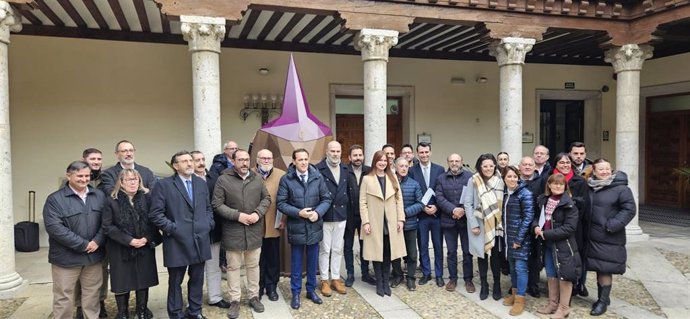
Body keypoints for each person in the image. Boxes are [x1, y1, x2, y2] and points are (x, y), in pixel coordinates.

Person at [149, 151, 214, 319]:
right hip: (176, 241)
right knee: (175, 281)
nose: (190, 163)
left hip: (200, 239)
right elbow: (156, 214)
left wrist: (207, 224)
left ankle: (195, 311)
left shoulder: (201, 184)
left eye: (190, 160)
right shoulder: (164, 185)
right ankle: (176, 314)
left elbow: (208, 208)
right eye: (184, 161)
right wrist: (173, 228)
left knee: (197, 279)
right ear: (175, 166)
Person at [212, 149, 271, 318]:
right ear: (233, 161)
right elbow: (217, 204)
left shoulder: (257, 178)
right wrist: (238, 216)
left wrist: (257, 213)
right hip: (233, 231)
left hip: (253, 230)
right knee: (233, 267)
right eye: (240, 160)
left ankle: (253, 296)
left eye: (247, 160)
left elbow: (266, 199)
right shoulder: (223, 179)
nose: (244, 163)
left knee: (253, 266)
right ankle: (235, 300)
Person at [43, 161, 106, 319]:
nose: (84, 179)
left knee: (92, 296)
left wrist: (97, 241)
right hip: (66, 259)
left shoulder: (98, 195)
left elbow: (107, 222)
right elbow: (55, 228)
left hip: (94, 258)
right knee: (64, 297)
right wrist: (84, 244)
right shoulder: (55, 199)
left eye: (87, 176)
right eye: (79, 176)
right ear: (68, 176)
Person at [277, 148, 332, 310]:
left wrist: (318, 212)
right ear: (294, 161)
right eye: (300, 160)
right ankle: (295, 293)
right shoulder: (287, 179)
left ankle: (310, 290)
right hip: (297, 227)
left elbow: (326, 198)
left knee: (312, 262)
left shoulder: (317, 177)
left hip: (314, 226)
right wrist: (298, 213)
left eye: (306, 159)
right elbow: (281, 203)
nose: (303, 162)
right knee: (296, 263)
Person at [102, 169, 160, 319]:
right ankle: (123, 313)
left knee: (143, 279)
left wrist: (146, 238)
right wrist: (130, 241)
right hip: (120, 247)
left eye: (136, 179)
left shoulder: (147, 198)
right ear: (121, 182)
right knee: (122, 280)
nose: (133, 182)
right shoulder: (111, 200)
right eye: (128, 180)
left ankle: (141, 311)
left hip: (144, 246)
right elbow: (108, 227)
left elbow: (154, 221)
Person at [586, 158, 636, 316]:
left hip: (609, 236)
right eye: (600, 169)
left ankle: (602, 302)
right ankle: (603, 297)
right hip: (591, 235)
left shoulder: (621, 189)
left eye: (607, 169)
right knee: (597, 267)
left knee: (605, 269)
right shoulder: (590, 186)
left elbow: (629, 210)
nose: (605, 172)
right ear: (594, 171)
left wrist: (612, 225)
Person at [533, 174, 582, 319]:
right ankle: (553, 304)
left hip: (563, 246)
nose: (557, 186)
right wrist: (535, 226)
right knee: (551, 274)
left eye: (561, 184)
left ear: (565, 186)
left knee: (564, 276)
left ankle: (564, 308)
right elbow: (537, 217)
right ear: (549, 185)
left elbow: (569, 228)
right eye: (554, 184)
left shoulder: (569, 204)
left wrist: (546, 233)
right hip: (547, 245)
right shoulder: (544, 200)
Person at [359, 150, 406, 297]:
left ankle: (386, 281)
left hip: (391, 222)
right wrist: (365, 222)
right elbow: (362, 202)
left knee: (387, 253)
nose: (382, 163)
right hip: (374, 222)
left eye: (385, 161)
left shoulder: (392, 178)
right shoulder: (367, 179)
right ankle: (379, 282)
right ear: (375, 161)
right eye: (380, 160)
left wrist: (400, 219)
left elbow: (399, 200)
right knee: (376, 253)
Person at [191, 151, 230, 310]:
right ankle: (194, 301)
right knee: (194, 270)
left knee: (214, 267)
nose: (201, 163)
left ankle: (215, 297)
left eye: (202, 159)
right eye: (196, 160)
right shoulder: (186, 181)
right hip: (193, 233)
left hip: (214, 231)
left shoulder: (215, 179)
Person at [464, 153, 505, 300]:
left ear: (495, 166)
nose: (488, 168)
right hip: (480, 224)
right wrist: (473, 224)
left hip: (497, 224)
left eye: (491, 166)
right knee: (482, 256)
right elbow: (467, 204)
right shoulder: (473, 180)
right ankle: (484, 285)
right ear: (480, 167)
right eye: (485, 166)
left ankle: (497, 285)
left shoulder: (501, 180)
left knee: (496, 257)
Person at [548, 152, 590, 297]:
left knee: (570, 259)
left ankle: (574, 288)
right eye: (561, 163)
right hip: (552, 227)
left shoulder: (580, 181)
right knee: (553, 259)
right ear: (556, 165)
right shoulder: (548, 179)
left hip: (573, 227)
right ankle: (555, 294)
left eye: (567, 163)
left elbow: (584, 206)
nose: (565, 165)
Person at [75, 148, 108, 319]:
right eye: (92, 158)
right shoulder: (75, 178)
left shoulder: (106, 178)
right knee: (79, 273)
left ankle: (100, 303)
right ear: (84, 159)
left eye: (99, 159)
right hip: (79, 235)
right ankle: (80, 306)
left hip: (101, 234)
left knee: (101, 272)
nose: (96, 161)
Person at [315, 141, 350, 296]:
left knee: (337, 249)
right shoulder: (318, 168)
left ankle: (335, 278)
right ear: (327, 152)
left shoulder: (345, 168)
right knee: (325, 249)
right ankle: (324, 279)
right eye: (332, 151)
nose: (335, 154)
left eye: (338, 151)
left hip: (341, 215)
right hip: (326, 214)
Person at [408, 142, 445, 287]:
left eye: (426, 152)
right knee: (422, 245)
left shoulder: (439, 169)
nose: (424, 155)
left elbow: (442, 190)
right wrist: (422, 208)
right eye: (421, 152)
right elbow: (411, 192)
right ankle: (426, 273)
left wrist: (436, 206)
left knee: (438, 246)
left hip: (437, 214)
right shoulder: (412, 171)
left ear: (430, 152)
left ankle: (439, 274)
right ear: (417, 154)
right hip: (421, 215)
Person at [436, 153, 473, 293]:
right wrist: (453, 210)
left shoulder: (470, 177)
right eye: (451, 161)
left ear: (461, 162)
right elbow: (439, 197)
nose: (454, 163)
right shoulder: (441, 178)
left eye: (457, 160)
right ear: (448, 162)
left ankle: (468, 279)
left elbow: (473, 196)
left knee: (467, 252)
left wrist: (462, 210)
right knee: (451, 252)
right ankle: (452, 278)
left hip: (465, 221)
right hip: (448, 220)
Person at [500, 166, 534, 316]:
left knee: (520, 269)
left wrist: (519, 239)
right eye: (509, 177)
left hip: (520, 239)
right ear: (504, 179)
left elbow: (528, 218)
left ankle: (520, 299)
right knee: (512, 268)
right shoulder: (506, 193)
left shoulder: (525, 193)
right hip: (509, 238)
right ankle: (514, 294)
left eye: (515, 176)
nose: (512, 179)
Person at [254, 149, 287, 301]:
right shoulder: (251, 174)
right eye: (263, 158)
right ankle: (259, 287)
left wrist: (284, 219)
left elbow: (286, 199)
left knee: (273, 257)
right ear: (257, 159)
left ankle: (272, 286)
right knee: (257, 258)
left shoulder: (281, 174)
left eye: (269, 158)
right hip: (255, 223)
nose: (266, 161)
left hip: (275, 221)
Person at [344, 144, 376, 286]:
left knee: (365, 245)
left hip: (365, 216)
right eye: (355, 155)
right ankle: (350, 273)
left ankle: (365, 273)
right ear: (350, 157)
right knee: (348, 246)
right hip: (349, 215)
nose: (358, 158)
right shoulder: (344, 171)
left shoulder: (369, 171)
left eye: (360, 155)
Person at [391, 157, 424, 291]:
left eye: (406, 166)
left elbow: (420, 203)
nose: (404, 168)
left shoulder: (414, 184)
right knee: (396, 253)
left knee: (412, 254)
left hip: (410, 224)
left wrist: (404, 213)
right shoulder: (390, 183)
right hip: (394, 225)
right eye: (401, 166)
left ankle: (410, 278)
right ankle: (397, 275)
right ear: (396, 167)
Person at [518, 156, 544, 298]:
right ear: (519, 167)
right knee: (518, 256)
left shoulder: (541, 182)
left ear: (535, 167)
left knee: (534, 255)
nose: (527, 167)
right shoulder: (514, 181)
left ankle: (533, 284)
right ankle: (517, 284)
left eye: (530, 165)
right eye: (524, 165)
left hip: (535, 223)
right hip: (517, 223)